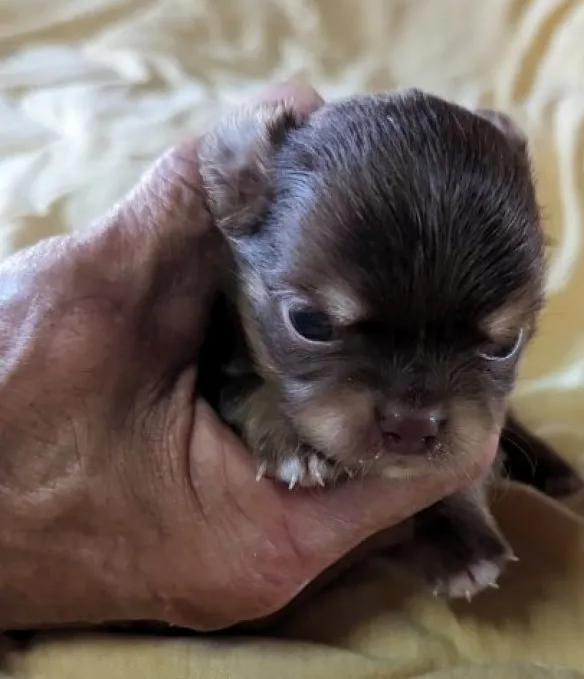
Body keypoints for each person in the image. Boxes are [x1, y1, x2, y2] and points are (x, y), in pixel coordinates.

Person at [0, 81, 496, 632]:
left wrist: (460, 500)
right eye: (314, 325)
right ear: (238, 185)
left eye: (499, 345)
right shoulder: (195, 300)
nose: (412, 412)